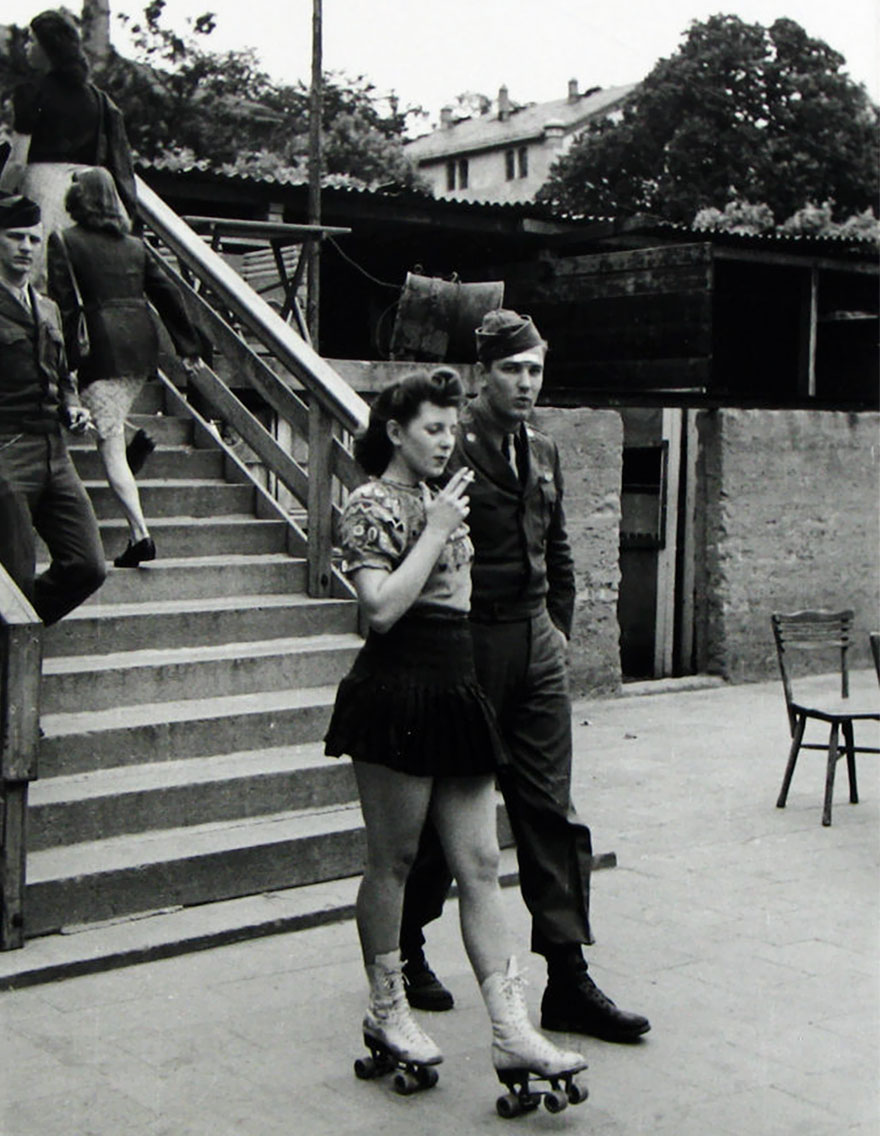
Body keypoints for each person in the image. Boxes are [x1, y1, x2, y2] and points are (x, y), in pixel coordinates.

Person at [324, 368, 587, 1091]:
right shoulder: (370, 503)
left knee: (478, 864)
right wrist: (436, 531)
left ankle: (511, 1030)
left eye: (450, 427)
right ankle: (386, 1008)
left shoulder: (446, 498)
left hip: (456, 683)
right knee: (395, 862)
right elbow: (377, 610)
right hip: (398, 687)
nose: (446, 441)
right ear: (396, 432)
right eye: (433, 429)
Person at [399, 310, 651, 1043]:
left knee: (552, 813)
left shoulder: (543, 449)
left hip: (534, 641)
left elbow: (560, 544)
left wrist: (559, 629)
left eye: (536, 369)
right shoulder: (450, 448)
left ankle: (567, 980)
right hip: (467, 644)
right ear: (485, 373)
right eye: (513, 369)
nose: (527, 383)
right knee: (443, 820)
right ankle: (410, 944)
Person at [47, 167, 201, 568]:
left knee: (104, 442)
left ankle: (141, 534)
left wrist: (59, 361)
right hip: (139, 347)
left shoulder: (65, 241)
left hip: (100, 349)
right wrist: (188, 346)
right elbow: (167, 291)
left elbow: (63, 305)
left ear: (80, 198)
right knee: (104, 424)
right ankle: (134, 451)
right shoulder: (135, 246)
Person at [0, 191, 105, 623]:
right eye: (14, 238)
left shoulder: (48, 308)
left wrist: (71, 406)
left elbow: (62, 376)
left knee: (87, 566)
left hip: (54, 454)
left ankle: (13, 640)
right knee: (15, 577)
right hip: (6, 453)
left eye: (34, 239)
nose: (26, 248)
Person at [0, 9, 136, 281]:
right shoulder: (97, 99)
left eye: (32, 40)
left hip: (44, 190)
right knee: (79, 279)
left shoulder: (30, 93)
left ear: (48, 47)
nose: (27, 47)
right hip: (90, 196)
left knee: (39, 275)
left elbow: (16, 162)